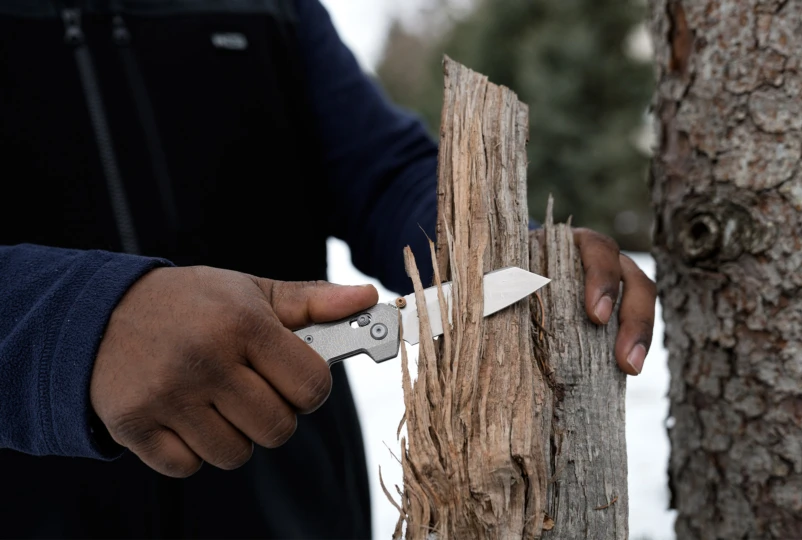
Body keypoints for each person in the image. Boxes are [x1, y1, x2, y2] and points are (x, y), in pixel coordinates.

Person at [0, 0, 657, 538]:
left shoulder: (275, 7)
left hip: (295, 506)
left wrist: (501, 252)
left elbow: (380, 170)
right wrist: (76, 325)